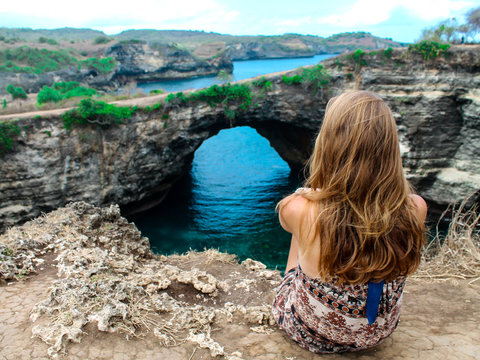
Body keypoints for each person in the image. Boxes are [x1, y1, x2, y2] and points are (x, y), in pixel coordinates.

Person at [272, 90, 427, 354]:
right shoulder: (416, 207)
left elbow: (301, 223)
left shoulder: (296, 208)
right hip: (379, 331)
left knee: (306, 227)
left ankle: (294, 283)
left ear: (328, 145)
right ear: (390, 148)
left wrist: (308, 195)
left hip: (313, 334)